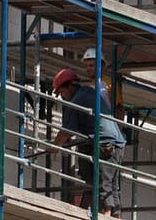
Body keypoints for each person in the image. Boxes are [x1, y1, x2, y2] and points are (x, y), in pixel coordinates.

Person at [52, 67, 125, 213]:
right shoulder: (88, 92)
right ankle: (113, 216)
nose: (61, 96)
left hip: (105, 143)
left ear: (70, 86)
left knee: (103, 182)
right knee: (111, 183)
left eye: (61, 92)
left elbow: (66, 131)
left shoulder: (77, 100)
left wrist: (54, 146)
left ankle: (106, 215)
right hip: (116, 142)